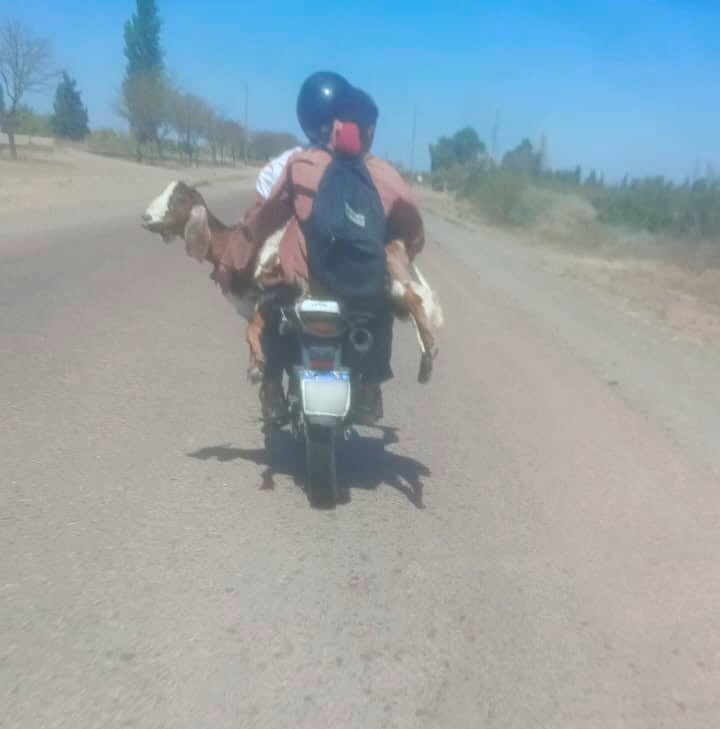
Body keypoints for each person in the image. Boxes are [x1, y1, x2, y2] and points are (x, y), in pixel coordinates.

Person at [218, 76, 425, 424]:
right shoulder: (384, 174)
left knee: (272, 305)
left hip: (306, 283)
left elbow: (265, 217)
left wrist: (234, 260)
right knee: (382, 314)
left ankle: (271, 388)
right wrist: (405, 254)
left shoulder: (298, 164)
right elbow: (412, 228)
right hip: (362, 292)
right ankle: (371, 387)